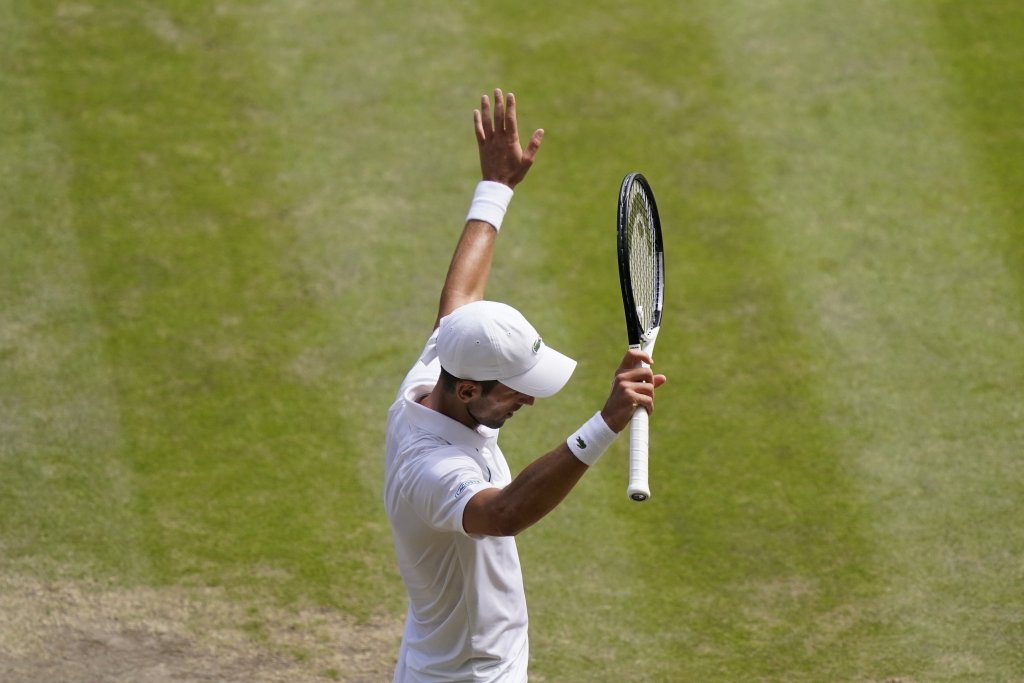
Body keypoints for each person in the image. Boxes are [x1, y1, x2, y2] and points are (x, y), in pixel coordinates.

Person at [383, 88, 667, 682]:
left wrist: (496, 187)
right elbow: (506, 512)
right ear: (468, 391)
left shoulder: (435, 374)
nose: (529, 398)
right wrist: (606, 423)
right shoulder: (431, 469)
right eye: (513, 388)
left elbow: (460, 299)